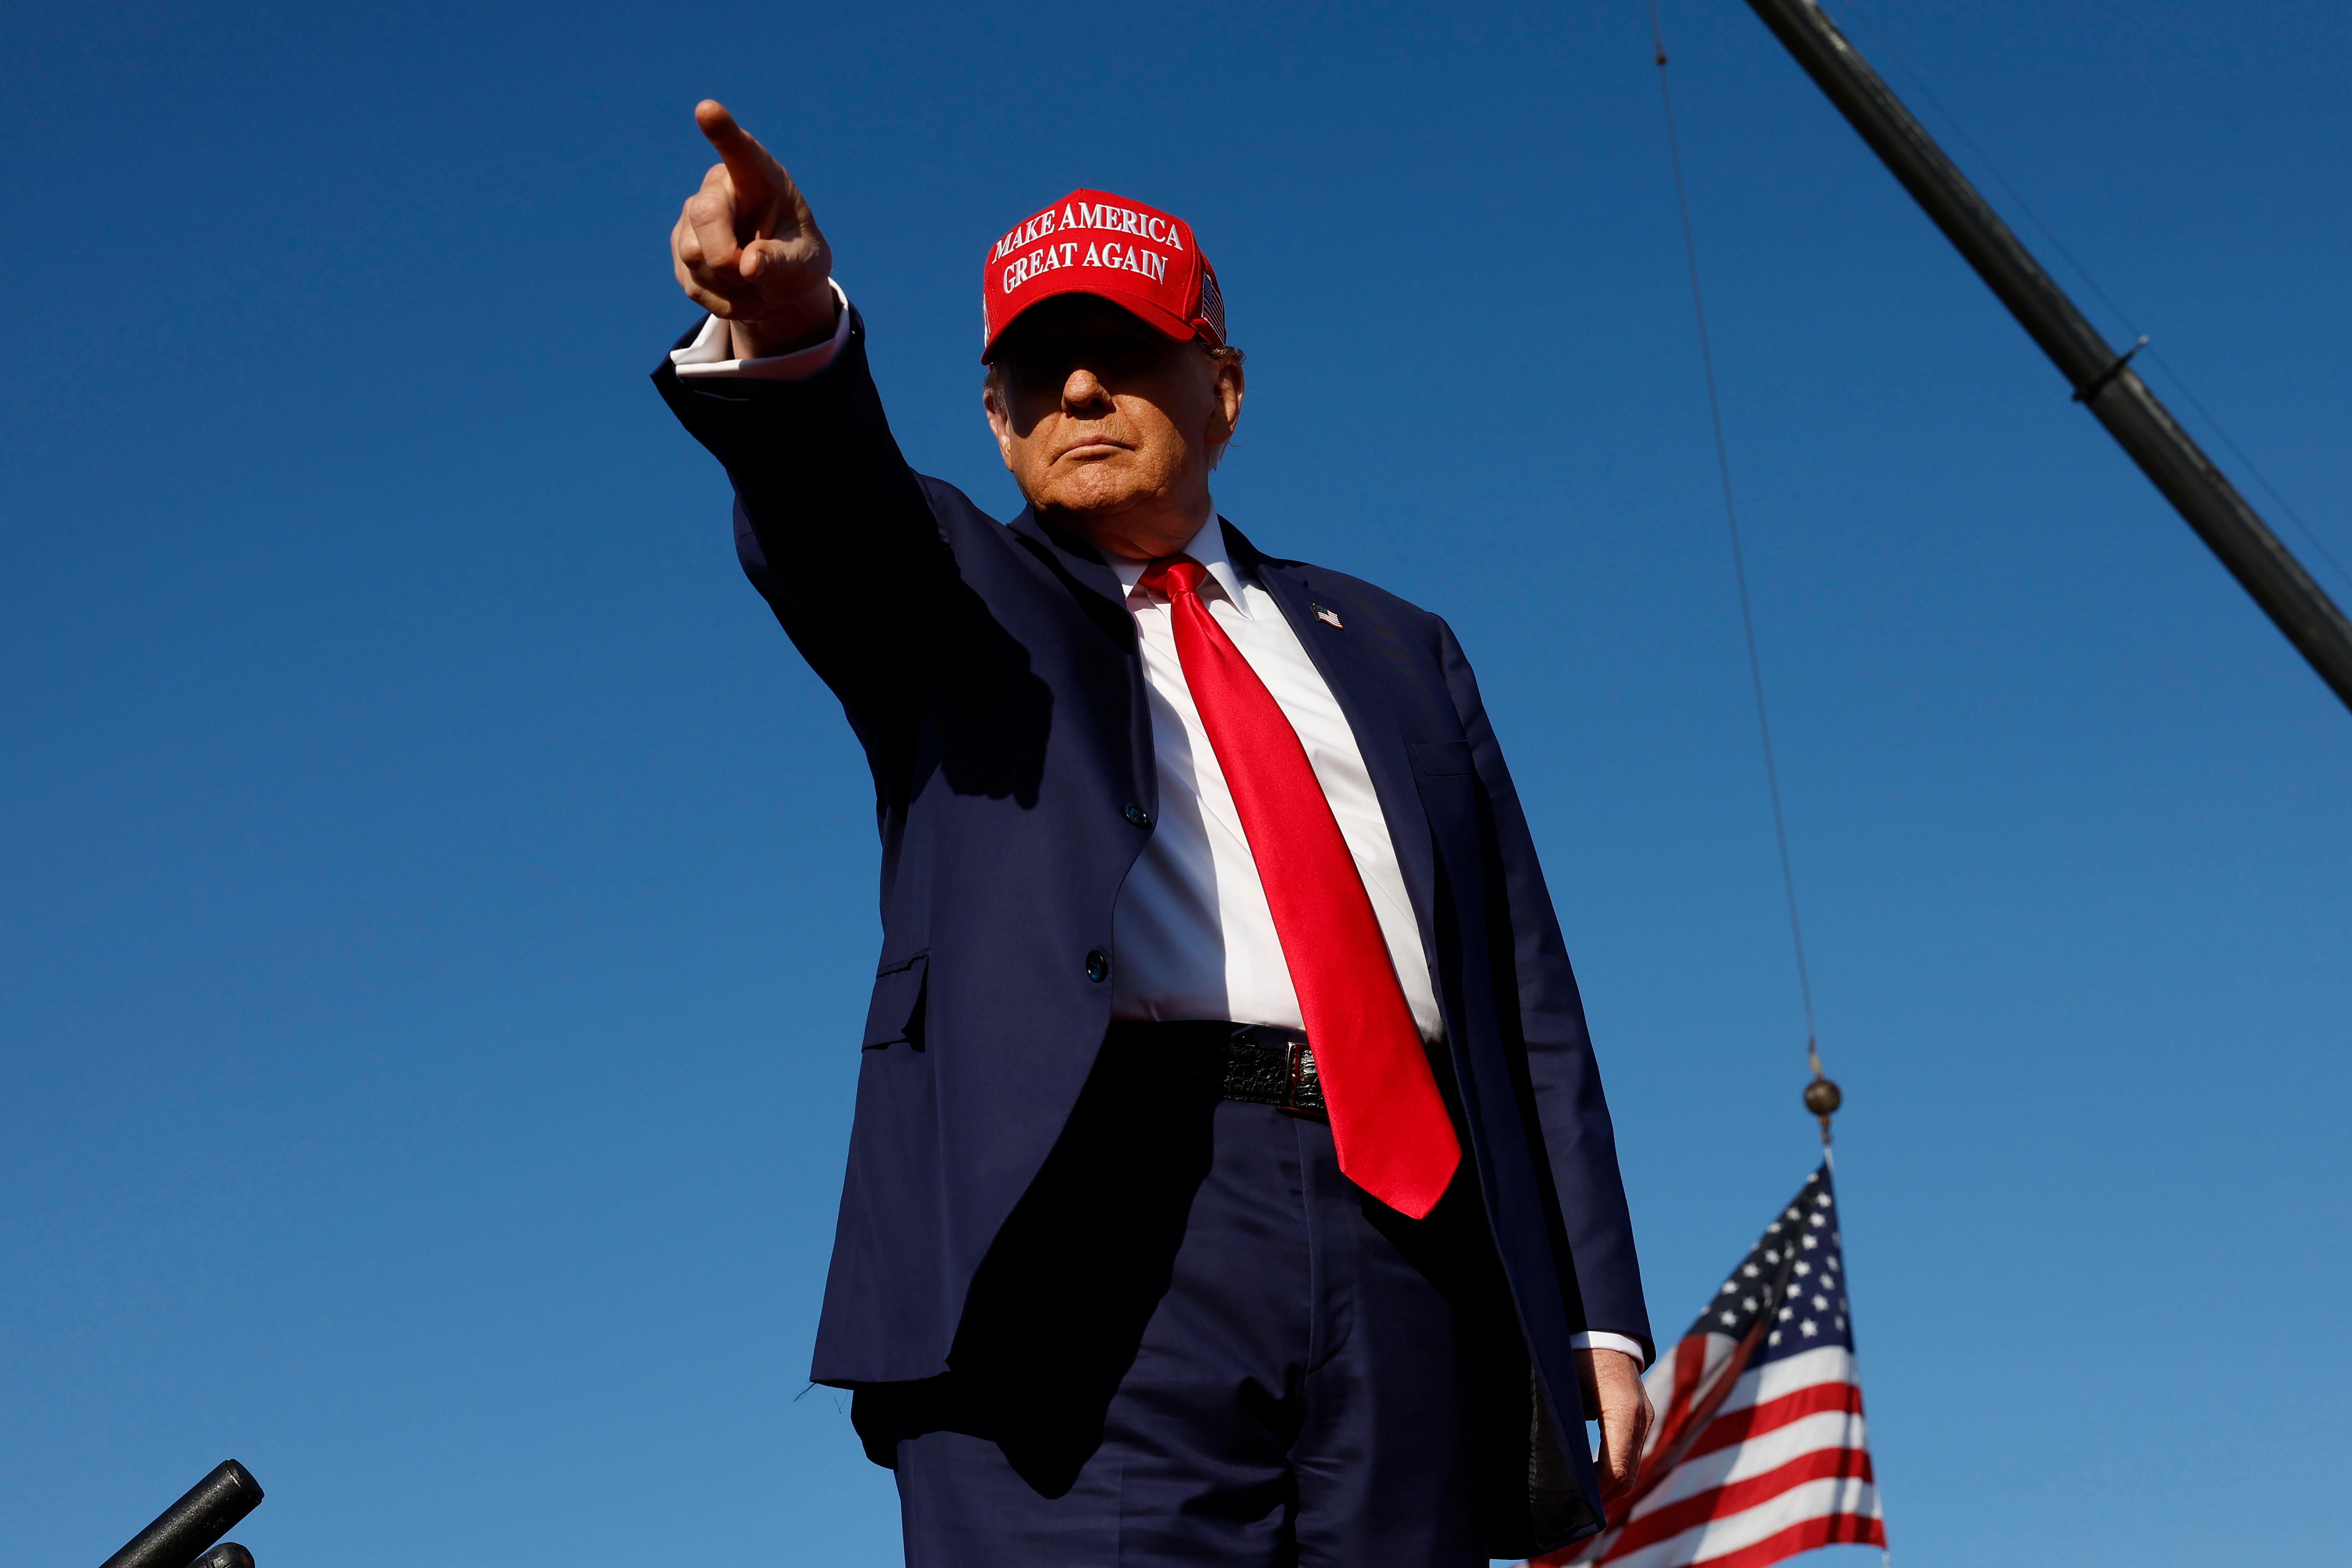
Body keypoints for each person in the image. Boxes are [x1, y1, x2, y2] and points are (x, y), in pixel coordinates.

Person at [653, 100, 1655, 1567]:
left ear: (1223, 391)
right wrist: (791, 324)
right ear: (993, 424)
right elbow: (822, 496)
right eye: (1032, 373)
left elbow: (1524, 995)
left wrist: (1596, 1310)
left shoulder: (1396, 645)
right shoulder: (945, 595)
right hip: (1079, 1232)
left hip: (1413, 1241)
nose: (1077, 389)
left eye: (1123, 353)